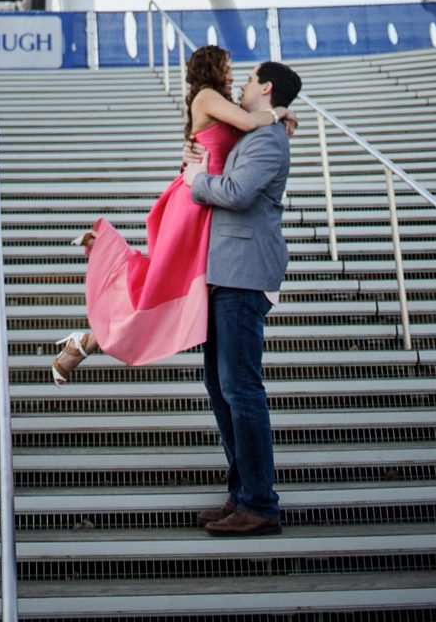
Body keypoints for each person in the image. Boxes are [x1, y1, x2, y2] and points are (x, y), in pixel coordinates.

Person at [49, 46, 293, 385]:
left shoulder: (224, 105)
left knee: (170, 291)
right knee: (158, 285)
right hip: (193, 202)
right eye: (228, 65)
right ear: (213, 67)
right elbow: (254, 120)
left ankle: (87, 340)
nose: (234, 74)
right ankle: (106, 251)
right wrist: (280, 111)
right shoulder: (207, 97)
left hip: (209, 202)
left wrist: (279, 115)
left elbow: (246, 130)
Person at [182, 58, 303, 538]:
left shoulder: (269, 142)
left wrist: (196, 182)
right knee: (221, 387)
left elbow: (236, 193)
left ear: (266, 87)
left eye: (251, 79)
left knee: (241, 390)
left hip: (244, 276)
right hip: (224, 274)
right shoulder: (258, 135)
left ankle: (259, 502)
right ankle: (241, 493)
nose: (244, 83)